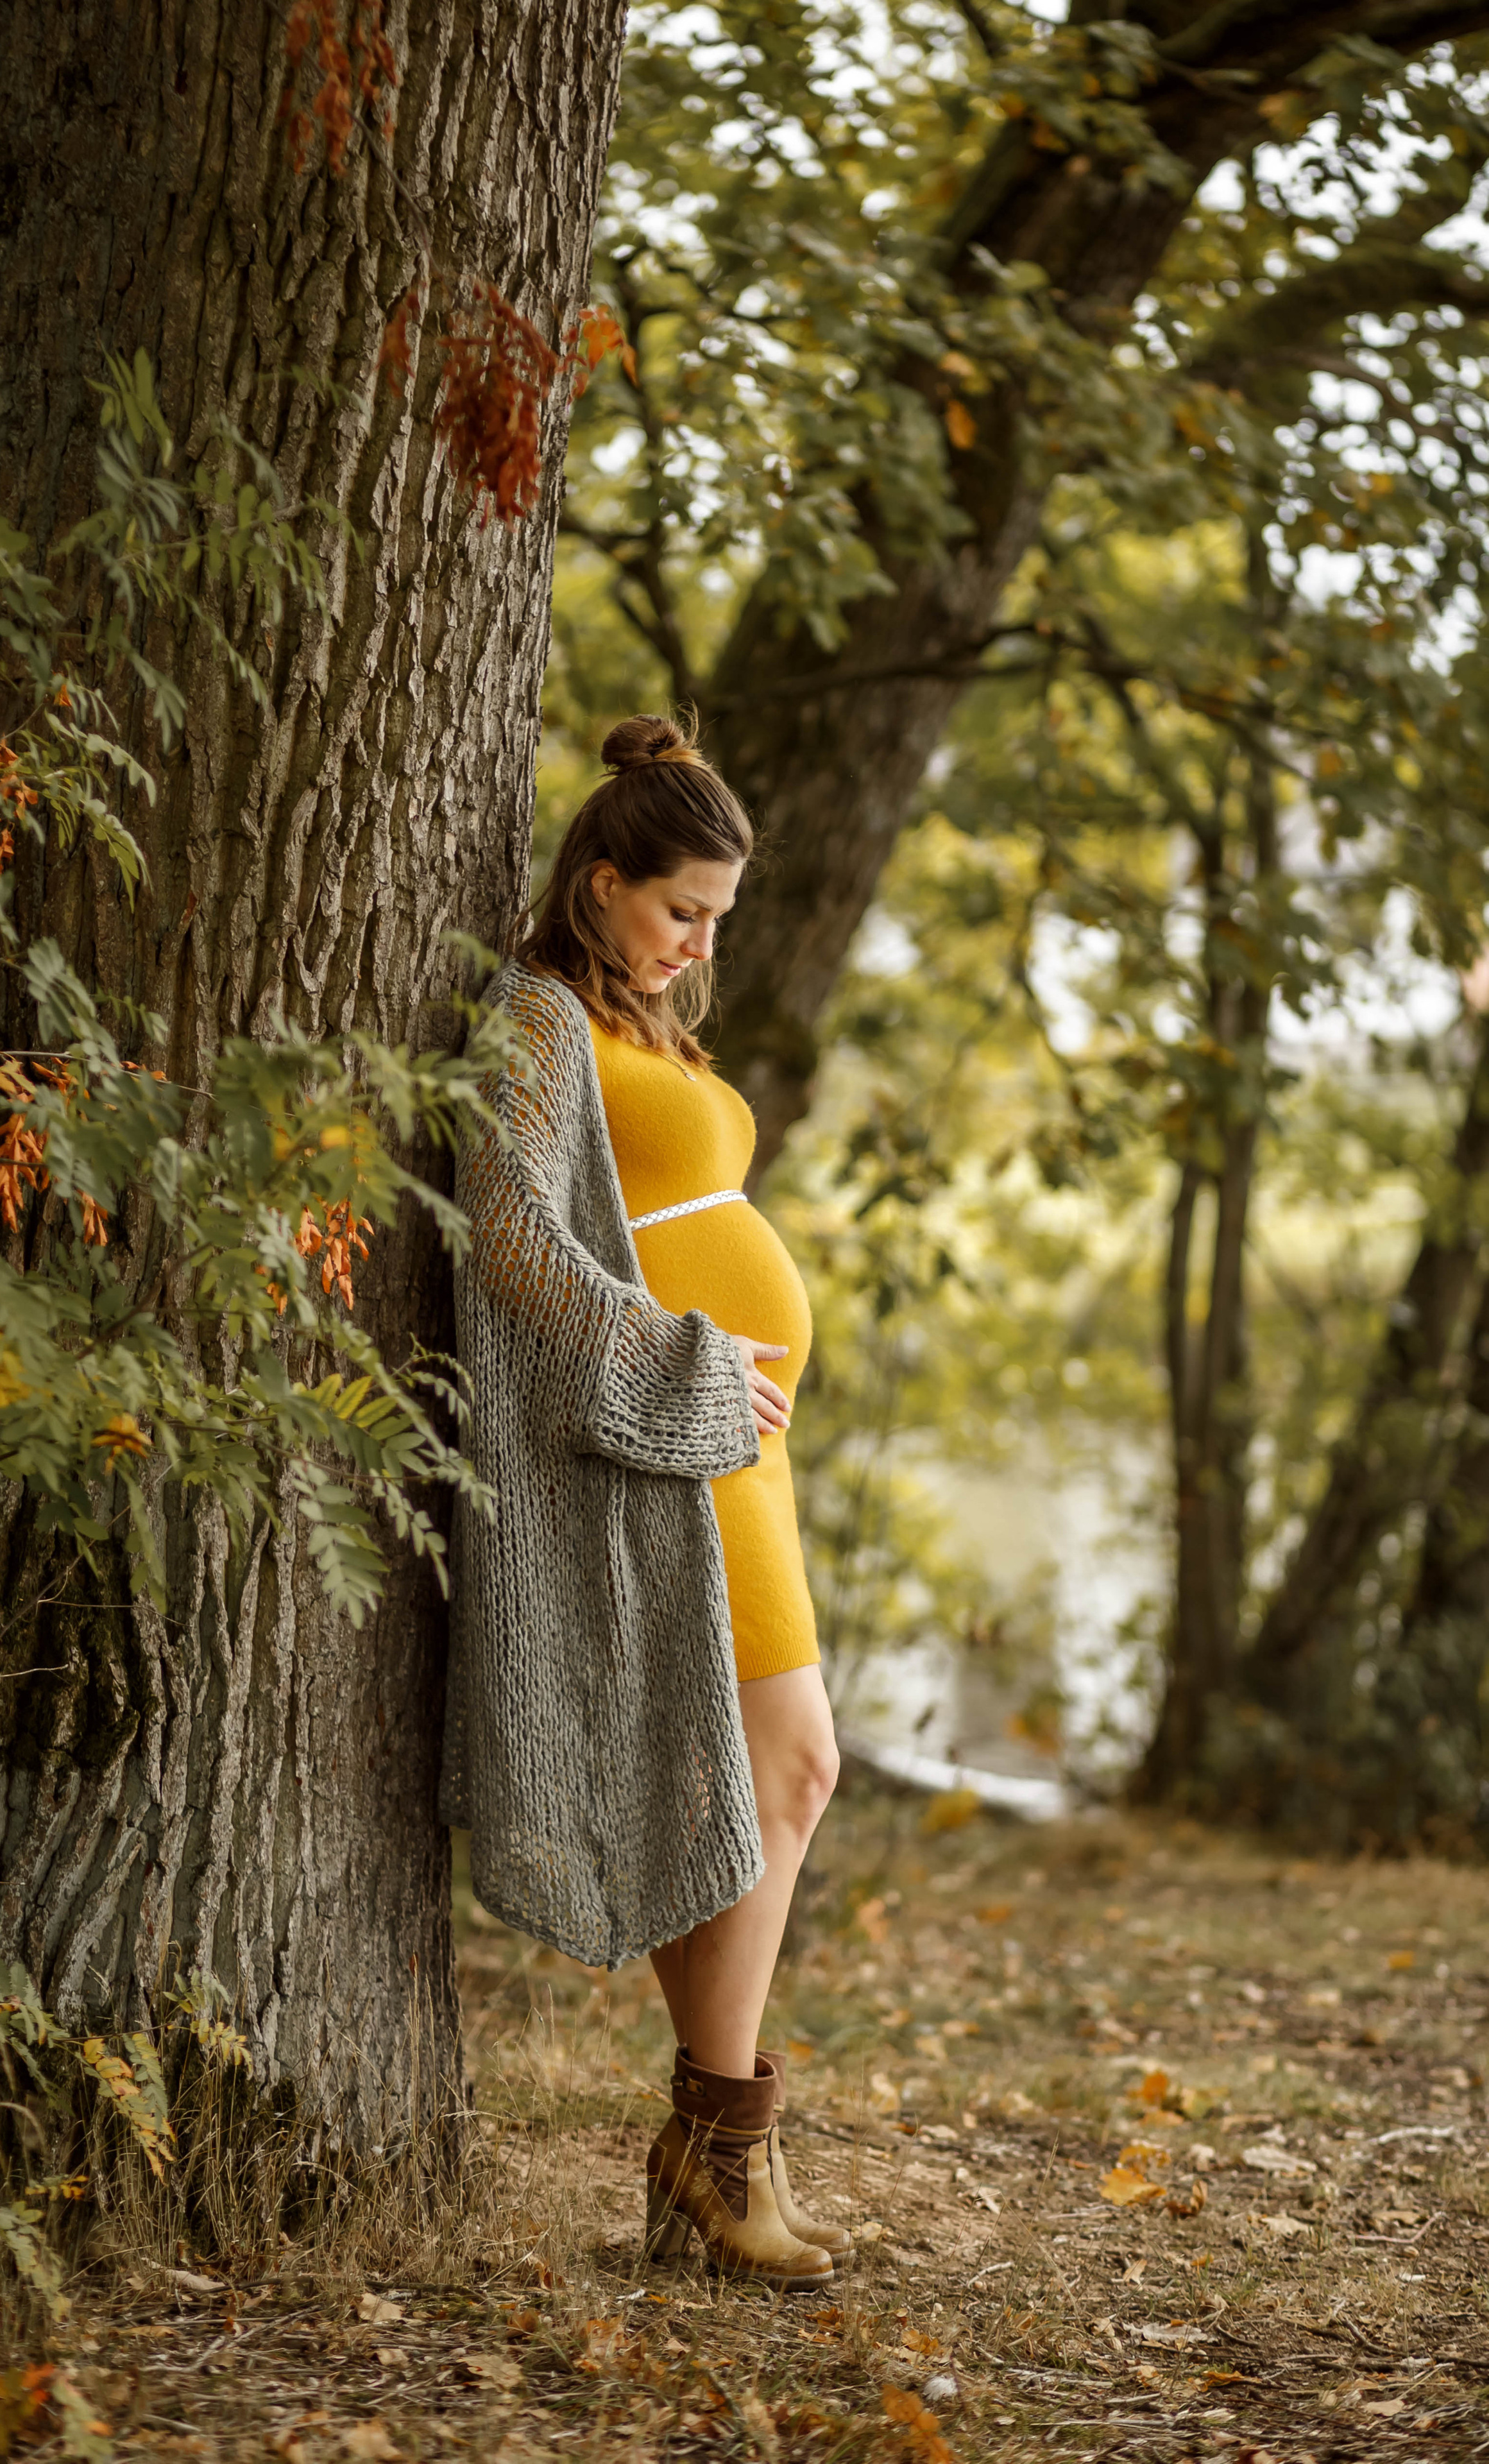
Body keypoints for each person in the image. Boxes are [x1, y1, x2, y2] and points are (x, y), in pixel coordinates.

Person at [442, 714, 848, 2290]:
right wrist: (683, 1360)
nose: (699, 944)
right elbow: (510, 1238)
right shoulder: (538, 1015)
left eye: (718, 919)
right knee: (785, 1764)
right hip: (671, 1430)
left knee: (763, 1772)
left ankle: (713, 2142)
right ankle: (718, 2141)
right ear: (601, 881)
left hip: (733, 1445)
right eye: (681, 909)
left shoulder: (644, 1027)